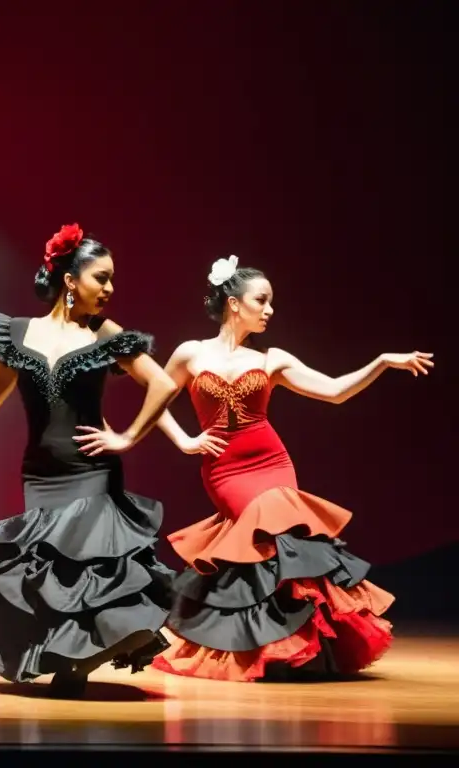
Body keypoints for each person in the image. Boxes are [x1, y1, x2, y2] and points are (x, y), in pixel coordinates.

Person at [150, 255, 433, 682]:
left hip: (272, 463)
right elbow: (153, 401)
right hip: (225, 473)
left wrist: (380, 362)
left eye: (270, 302)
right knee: (254, 541)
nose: (269, 310)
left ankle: (289, 648)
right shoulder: (191, 353)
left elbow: (336, 392)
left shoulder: (272, 359)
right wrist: (186, 440)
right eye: (261, 301)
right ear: (233, 303)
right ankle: (253, 647)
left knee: (281, 542)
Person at [0, 224, 178, 697]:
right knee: (49, 574)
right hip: (40, 474)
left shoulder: (108, 335)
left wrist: (125, 438)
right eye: (100, 278)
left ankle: (73, 668)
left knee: (84, 571)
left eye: (111, 280)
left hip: (92, 472)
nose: (109, 289)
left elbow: (163, 385)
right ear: (70, 280)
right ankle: (62, 660)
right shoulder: (18, 333)